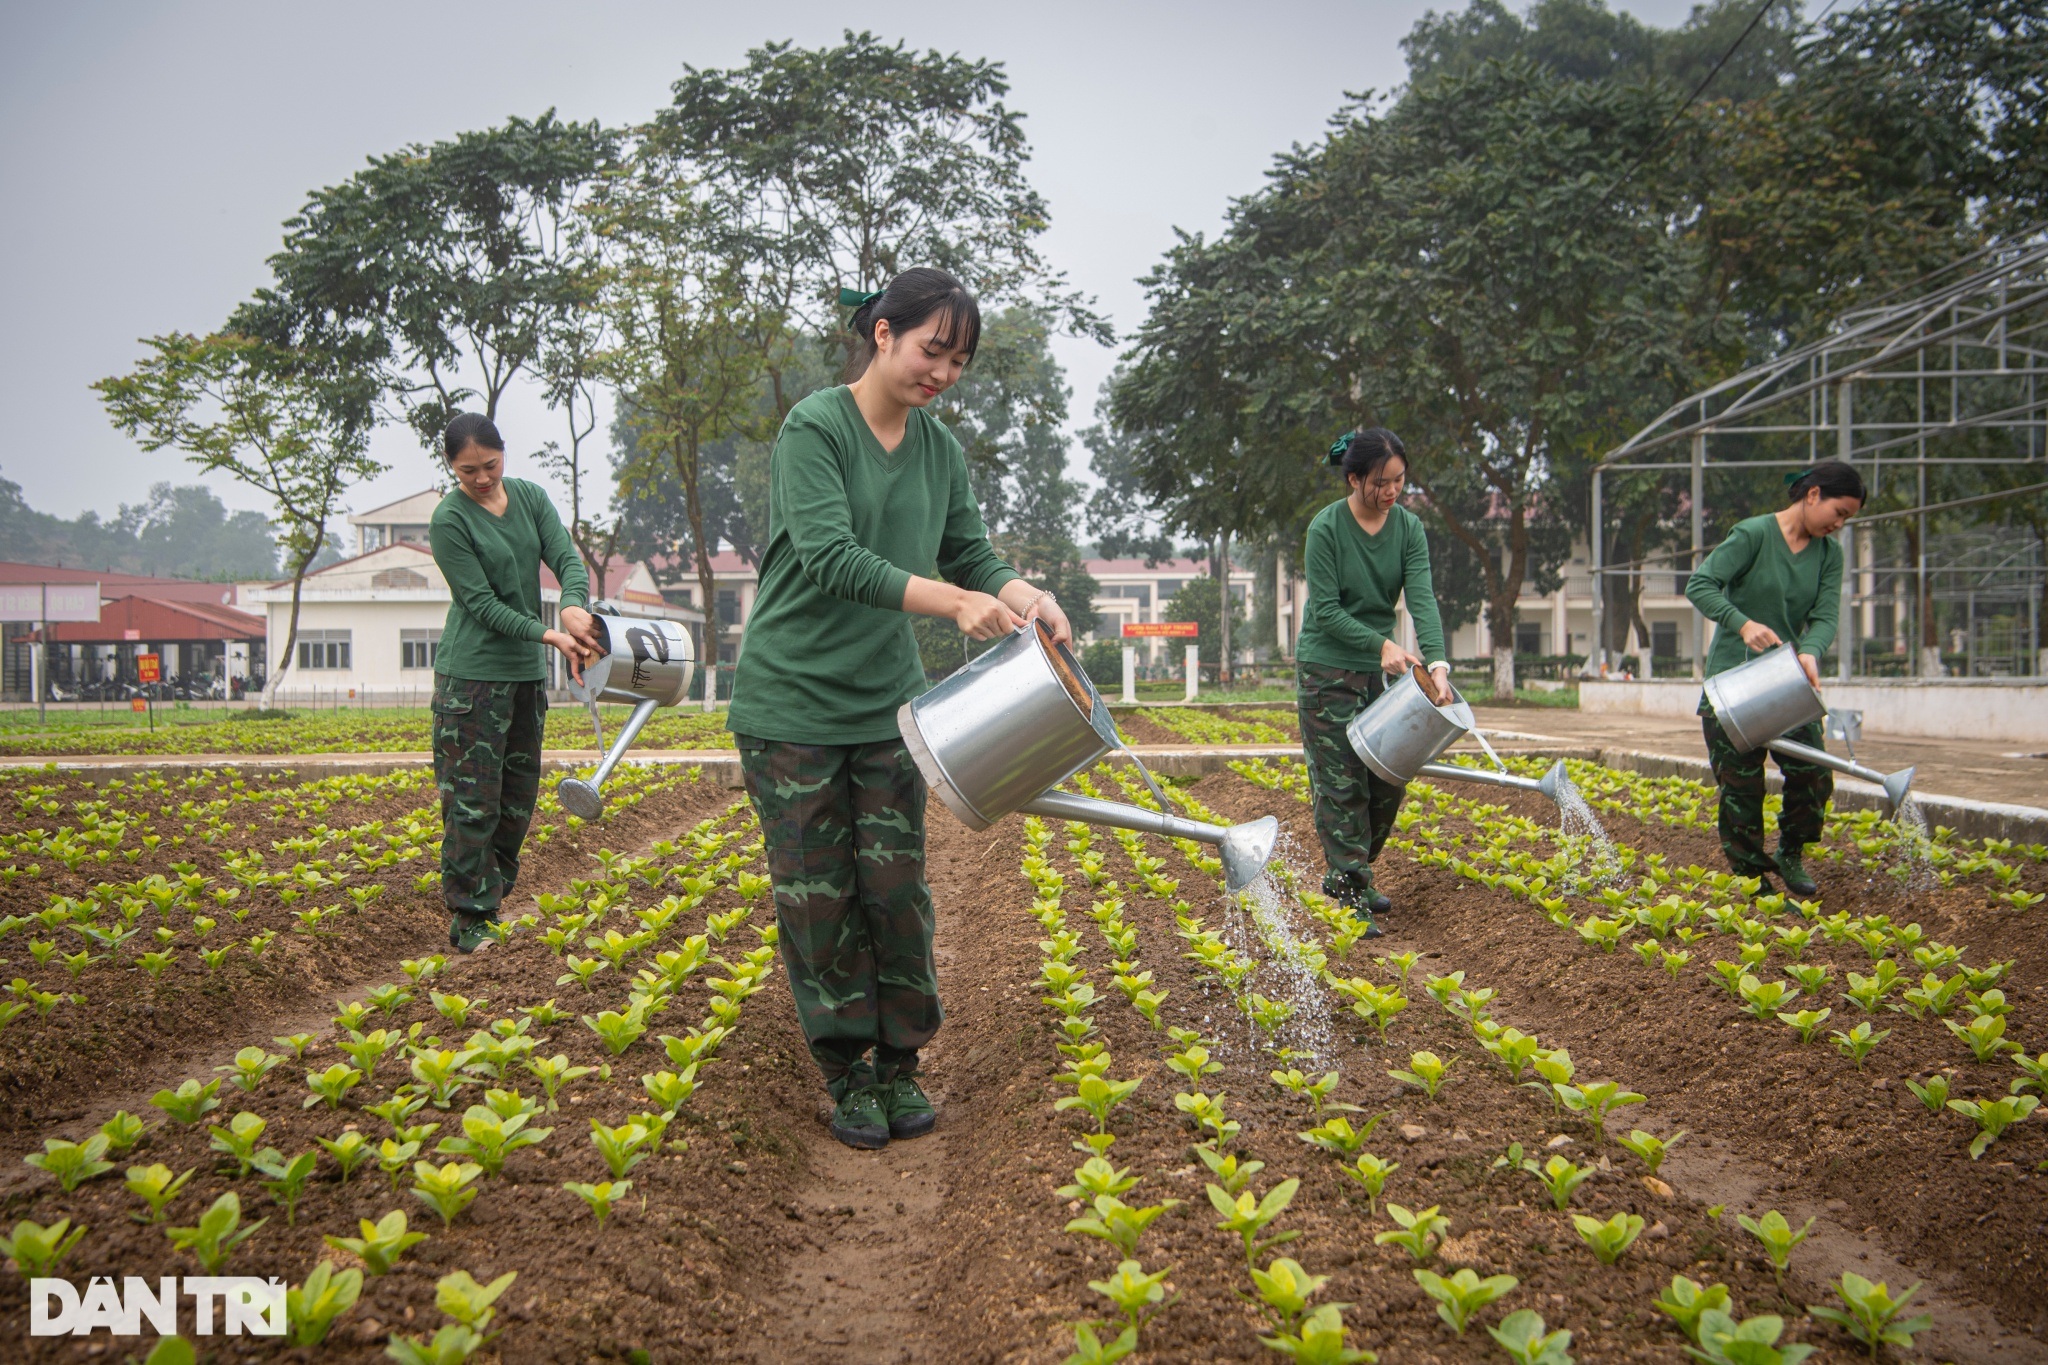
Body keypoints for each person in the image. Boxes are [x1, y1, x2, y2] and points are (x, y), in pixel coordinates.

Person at [728, 269, 1073, 1151]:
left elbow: (970, 550)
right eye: (932, 350)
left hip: (888, 707)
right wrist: (954, 603)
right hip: (793, 704)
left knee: (894, 890)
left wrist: (1024, 594)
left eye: (958, 360)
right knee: (819, 896)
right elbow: (830, 557)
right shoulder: (816, 429)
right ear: (882, 334)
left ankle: (900, 1063)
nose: (943, 372)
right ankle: (849, 1072)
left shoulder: (938, 450)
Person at [428, 413, 599, 954]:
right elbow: (480, 605)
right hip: (472, 681)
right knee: (472, 801)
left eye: (490, 465)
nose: (481, 478)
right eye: (467, 470)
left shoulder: (529, 498)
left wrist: (572, 606)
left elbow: (566, 560)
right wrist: (550, 635)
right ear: (452, 469)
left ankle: (490, 905)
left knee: (516, 800)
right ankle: (471, 916)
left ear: (504, 454)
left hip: (524, 680)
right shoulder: (449, 520)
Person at [1686, 459, 1865, 897]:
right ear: (1813, 494)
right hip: (1732, 682)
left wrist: (1810, 651)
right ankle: (1752, 879)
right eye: (1838, 512)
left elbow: (1824, 616)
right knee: (1741, 786)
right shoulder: (1752, 535)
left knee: (1813, 773)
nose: (1840, 525)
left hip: (1786, 683)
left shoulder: (1829, 555)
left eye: (1848, 519)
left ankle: (1790, 851)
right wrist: (1741, 622)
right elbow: (1701, 584)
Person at [1294, 428, 1452, 924]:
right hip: (1327, 671)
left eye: (1399, 480)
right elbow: (1323, 611)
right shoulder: (1326, 528)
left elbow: (1421, 597)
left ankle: (1351, 874)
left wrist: (1439, 663)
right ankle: (1348, 893)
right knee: (1342, 786)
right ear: (1355, 478)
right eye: (1380, 482)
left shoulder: (1408, 528)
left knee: (1388, 780)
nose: (1391, 491)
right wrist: (1380, 643)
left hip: (1378, 675)